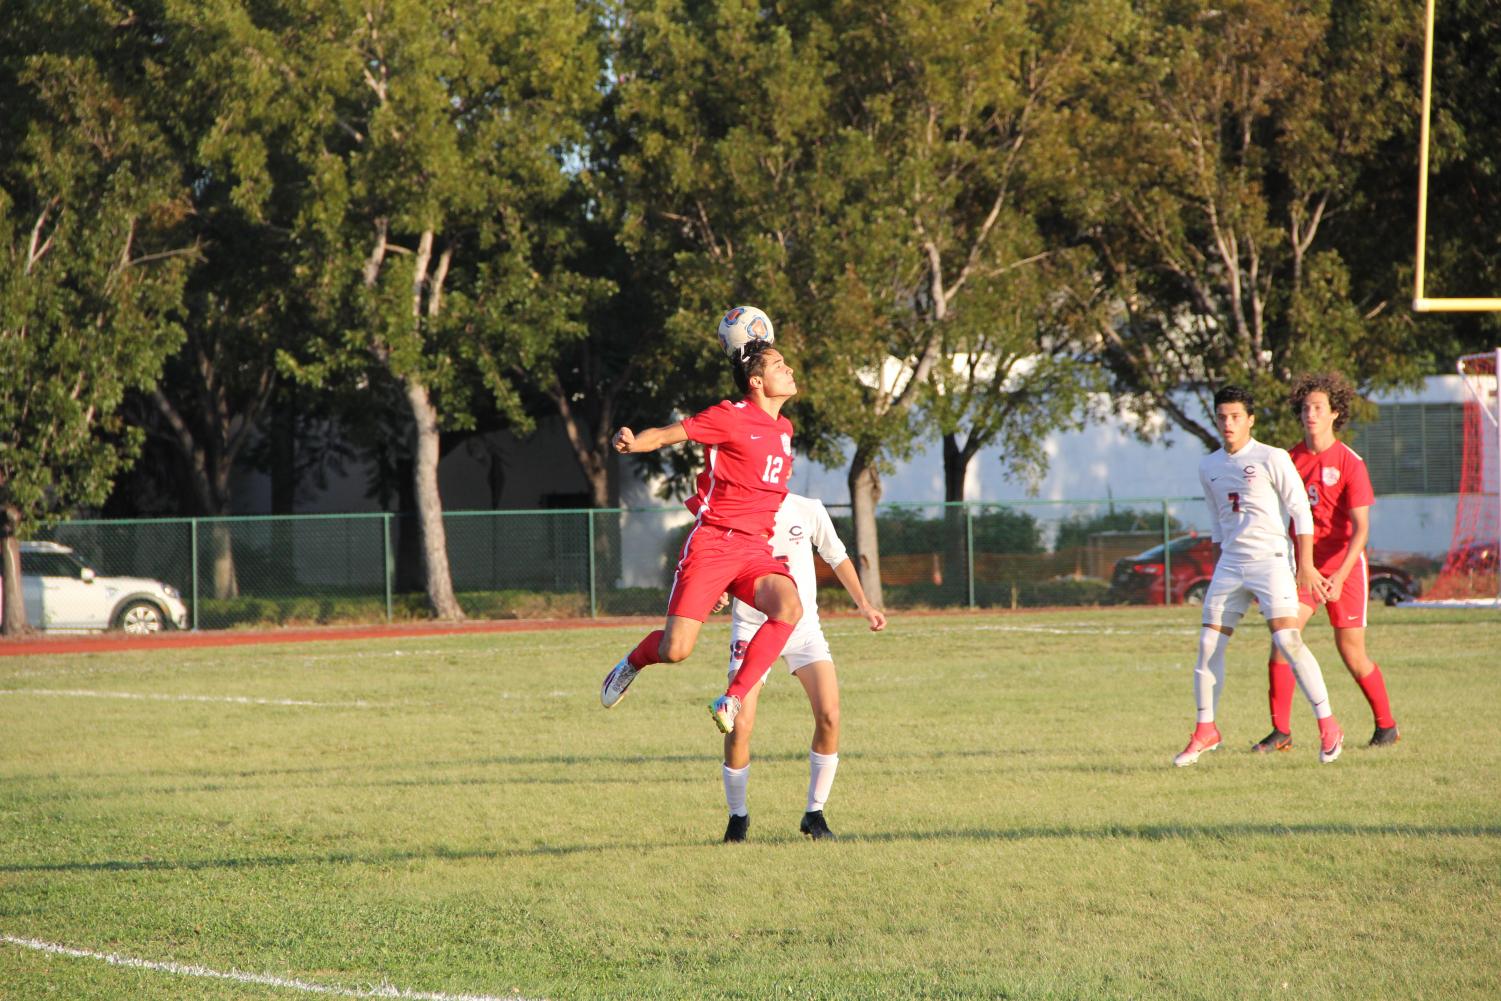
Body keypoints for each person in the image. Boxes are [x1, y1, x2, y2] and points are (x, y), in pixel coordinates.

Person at [599, 333, 802, 736]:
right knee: (675, 650)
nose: (789, 369)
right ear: (756, 381)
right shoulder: (731, 415)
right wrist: (633, 442)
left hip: (754, 548)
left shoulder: (785, 428)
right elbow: (667, 434)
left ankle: (732, 697)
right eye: (779, 365)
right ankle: (632, 662)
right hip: (715, 544)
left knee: (788, 608)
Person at [1174, 385, 1345, 767]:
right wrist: (1220, 566)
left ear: (1250, 420)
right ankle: (1206, 730)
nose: (1228, 423)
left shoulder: (1273, 457)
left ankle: (1328, 724)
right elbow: (1218, 524)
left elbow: (1301, 511)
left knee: (1288, 640)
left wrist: (1305, 564)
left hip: (1270, 562)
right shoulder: (1209, 466)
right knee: (1206, 645)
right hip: (1231, 565)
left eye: (1236, 416)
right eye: (1222, 417)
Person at [715, 492, 886, 843]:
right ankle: (738, 817)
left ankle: (815, 812)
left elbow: (836, 556)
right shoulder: (733, 508)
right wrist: (717, 590)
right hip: (752, 627)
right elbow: (717, 563)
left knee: (830, 715)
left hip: (802, 629)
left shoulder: (807, 508)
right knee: (739, 725)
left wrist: (865, 605)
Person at [1253, 372, 1399, 753]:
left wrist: (1339, 574)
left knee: (1351, 653)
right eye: (1305, 408)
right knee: (1283, 641)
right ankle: (1281, 731)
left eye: (1318, 408)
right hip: (1304, 566)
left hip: (1343, 567)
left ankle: (1386, 726)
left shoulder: (1350, 463)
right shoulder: (1287, 460)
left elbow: (1361, 530)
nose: (1310, 414)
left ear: (1335, 413)